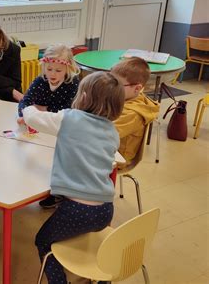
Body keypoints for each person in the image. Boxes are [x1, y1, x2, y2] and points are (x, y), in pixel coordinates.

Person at [23, 71, 125, 284]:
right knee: (83, 234)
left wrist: (28, 107)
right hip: (105, 209)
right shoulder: (112, 131)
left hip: (77, 210)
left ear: (84, 97)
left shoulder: (69, 118)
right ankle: (102, 279)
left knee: (43, 241)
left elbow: (34, 118)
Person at [18, 45, 80, 209]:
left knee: (58, 161)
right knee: (32, 158)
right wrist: (23, 115)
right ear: (44, 67)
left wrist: (42, 109)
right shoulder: (40, 81)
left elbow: (67, 111)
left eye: (58, 70)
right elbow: (25, 101)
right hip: (40, 130)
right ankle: (34, 186)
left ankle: (58, 193)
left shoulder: (73, 83)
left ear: (68, 68)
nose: (52, 74)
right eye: (49, 69)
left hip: (62, 131)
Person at [110, 57, 160, 168]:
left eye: (117, 85)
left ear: (137, 88)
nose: (111, 87)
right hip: (110, 148)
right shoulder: (127, 97)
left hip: (118, 158)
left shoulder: (132, 114)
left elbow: (105, 135)